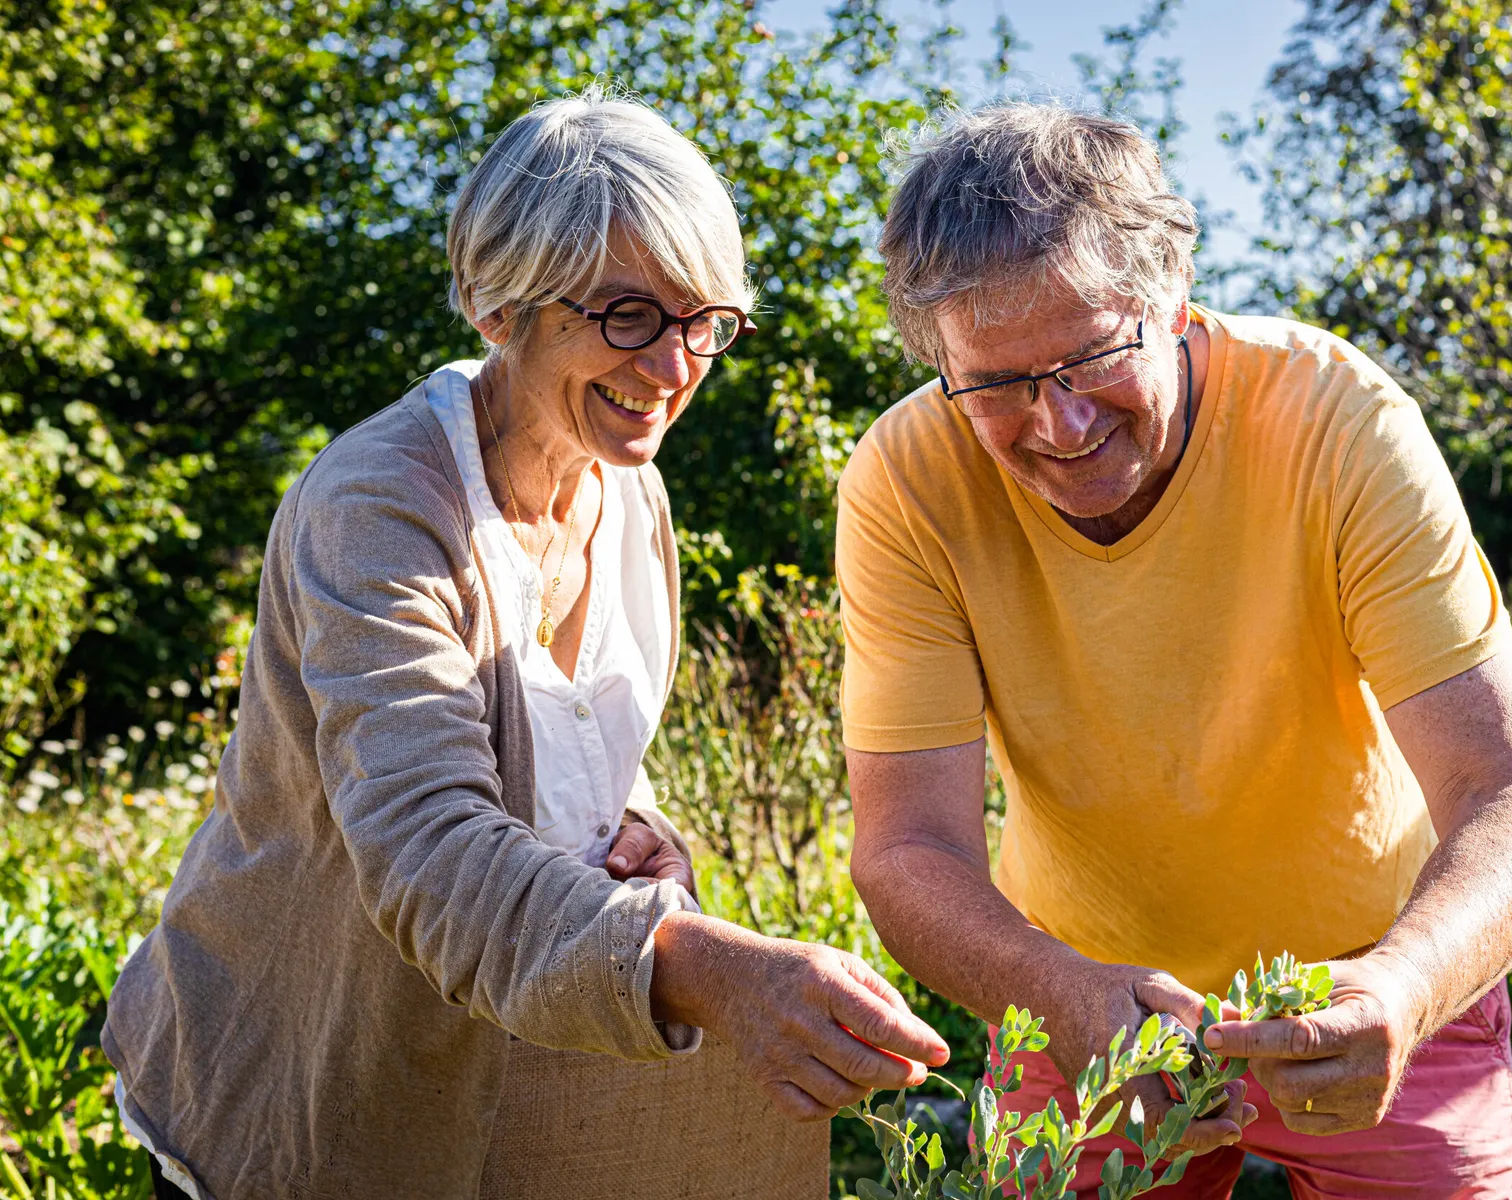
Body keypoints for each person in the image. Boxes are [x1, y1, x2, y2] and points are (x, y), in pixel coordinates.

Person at [102, 87, 946, 1200]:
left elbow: (577, 733)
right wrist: (696, 962)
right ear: (496, 306)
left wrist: (635, 830)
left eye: (703, 320)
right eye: (626, 315)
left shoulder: (628, 491)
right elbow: (428, 848)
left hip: (504, 1083)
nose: (674, 368)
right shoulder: (379, 508)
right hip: (300, 1079)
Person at [837, 101, 1512, 1198]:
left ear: (1173, 297)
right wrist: (1062, 994)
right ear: (941, 360)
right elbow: (908, 848)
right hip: (1077, 988)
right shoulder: (907, 481)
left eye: (1093, 358)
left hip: (1377, 968)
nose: (1061, 425)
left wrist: (1407, 986)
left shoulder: (1338, 419)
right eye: (996, 386)